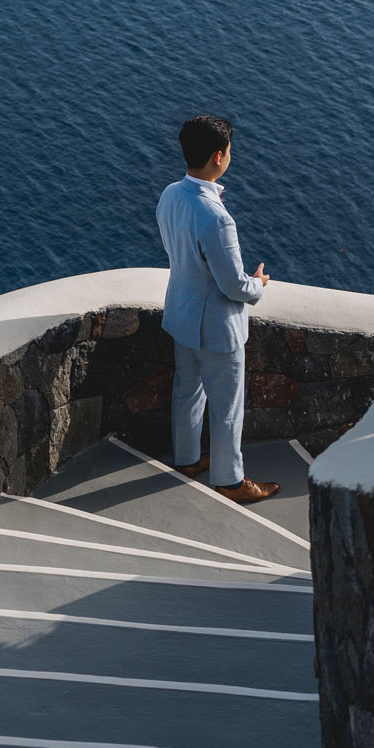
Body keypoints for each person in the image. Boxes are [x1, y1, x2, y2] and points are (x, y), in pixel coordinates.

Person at [156, 115, 280, 505]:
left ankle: (188, 459)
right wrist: (257, 285)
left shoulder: (170, 195)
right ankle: (229, 480)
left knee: (187, 393)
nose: (231, 155)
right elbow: (233, 286)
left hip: (182, 313)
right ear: (217, 157)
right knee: (227, 407)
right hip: (216, 328)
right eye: (229, 150)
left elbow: (175, 251)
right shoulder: (218, 218)